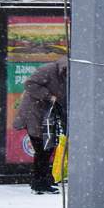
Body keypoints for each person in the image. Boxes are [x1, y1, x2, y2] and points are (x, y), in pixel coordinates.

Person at [13, 56, 67, 194]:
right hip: (34, 113)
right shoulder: (49, 69)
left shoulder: (65, 75)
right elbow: (29, 84)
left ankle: (41, 181)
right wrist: (49, 96)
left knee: (47, 149)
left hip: (46, 117)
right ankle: (39, 183)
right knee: (43, 149)